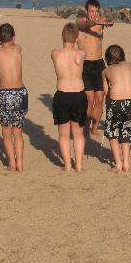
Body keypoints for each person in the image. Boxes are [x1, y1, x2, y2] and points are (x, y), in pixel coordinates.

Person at [0, 23, 28, 172]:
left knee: (6, 132)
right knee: (18, 131)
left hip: (5, 93)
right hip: (20, 92)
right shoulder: (17, 49)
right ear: (14, 37)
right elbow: (13, 44)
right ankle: (20, 164)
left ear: (0, 39)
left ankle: (12, 163)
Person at [51, 23, 88, 172]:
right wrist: (79, 38)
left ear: (62, 37)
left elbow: (62, 51)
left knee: (64, 133)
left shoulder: (55, 53)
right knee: (78, 133)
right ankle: (78, 165)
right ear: (77, 38)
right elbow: (81, 50)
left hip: (62, 94)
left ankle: (67, 165)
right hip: (78, 95)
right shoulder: (81, 53)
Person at [75, 0, 114, 137]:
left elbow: (110, 20)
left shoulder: (100, 22)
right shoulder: (80, 22)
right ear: (86, 11)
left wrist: (107, 21)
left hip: (99, 64)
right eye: (91, 11)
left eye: (96, 11)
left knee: (100, 98)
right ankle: (86, 128)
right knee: (89, 99)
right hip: (85, 65)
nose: (94, 14)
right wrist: (98, 22)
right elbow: (85, 24)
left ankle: (94, 128)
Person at [102, 45, 131, 173]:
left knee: (113, 133)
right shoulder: (130, 66)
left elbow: (106, 92)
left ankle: (118, 164)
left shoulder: (106, 70)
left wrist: (108, 105)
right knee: (127, 132)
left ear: (107, 58)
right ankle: (126, 163)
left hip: (115, 102)